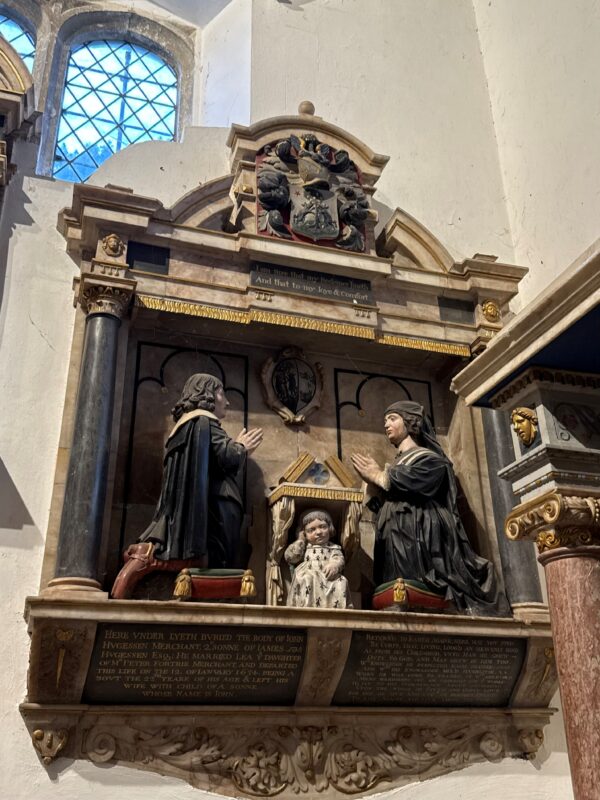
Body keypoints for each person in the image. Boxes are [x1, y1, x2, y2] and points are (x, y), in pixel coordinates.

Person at [351, 401, 500, 615]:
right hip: (394, 536)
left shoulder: (431, 459)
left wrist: (380, 476)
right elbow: (382, 503)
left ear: (412, 423)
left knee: (413, 581)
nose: (386, 425)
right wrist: (374, 488)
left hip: (420, 534)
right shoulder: (400, 463)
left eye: (392, 418)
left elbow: (417, 481)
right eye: (385, 420)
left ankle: (420, 591)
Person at [138, 373, 263, 568]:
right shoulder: (204, 422)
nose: (227, 402)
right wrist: (241, 447)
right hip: (215, 506)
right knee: (220, 555)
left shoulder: (185, 425)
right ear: (208, 394)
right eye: (222, 394)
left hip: (201, 505)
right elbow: (226, 456)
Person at [284, 509, 352, 609]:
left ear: (330, 528)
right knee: (307, 578)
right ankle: (307, 606)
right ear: (304, 533)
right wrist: (300, 540)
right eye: (311, 530)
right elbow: (290, 557)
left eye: (323, 527)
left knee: (342, 581)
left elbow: (339, 559)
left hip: (328, 576)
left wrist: (334, 565)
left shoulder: (334, 548)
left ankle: (338, 608)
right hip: (309, 573)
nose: (319, 532)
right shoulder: (304, 547)